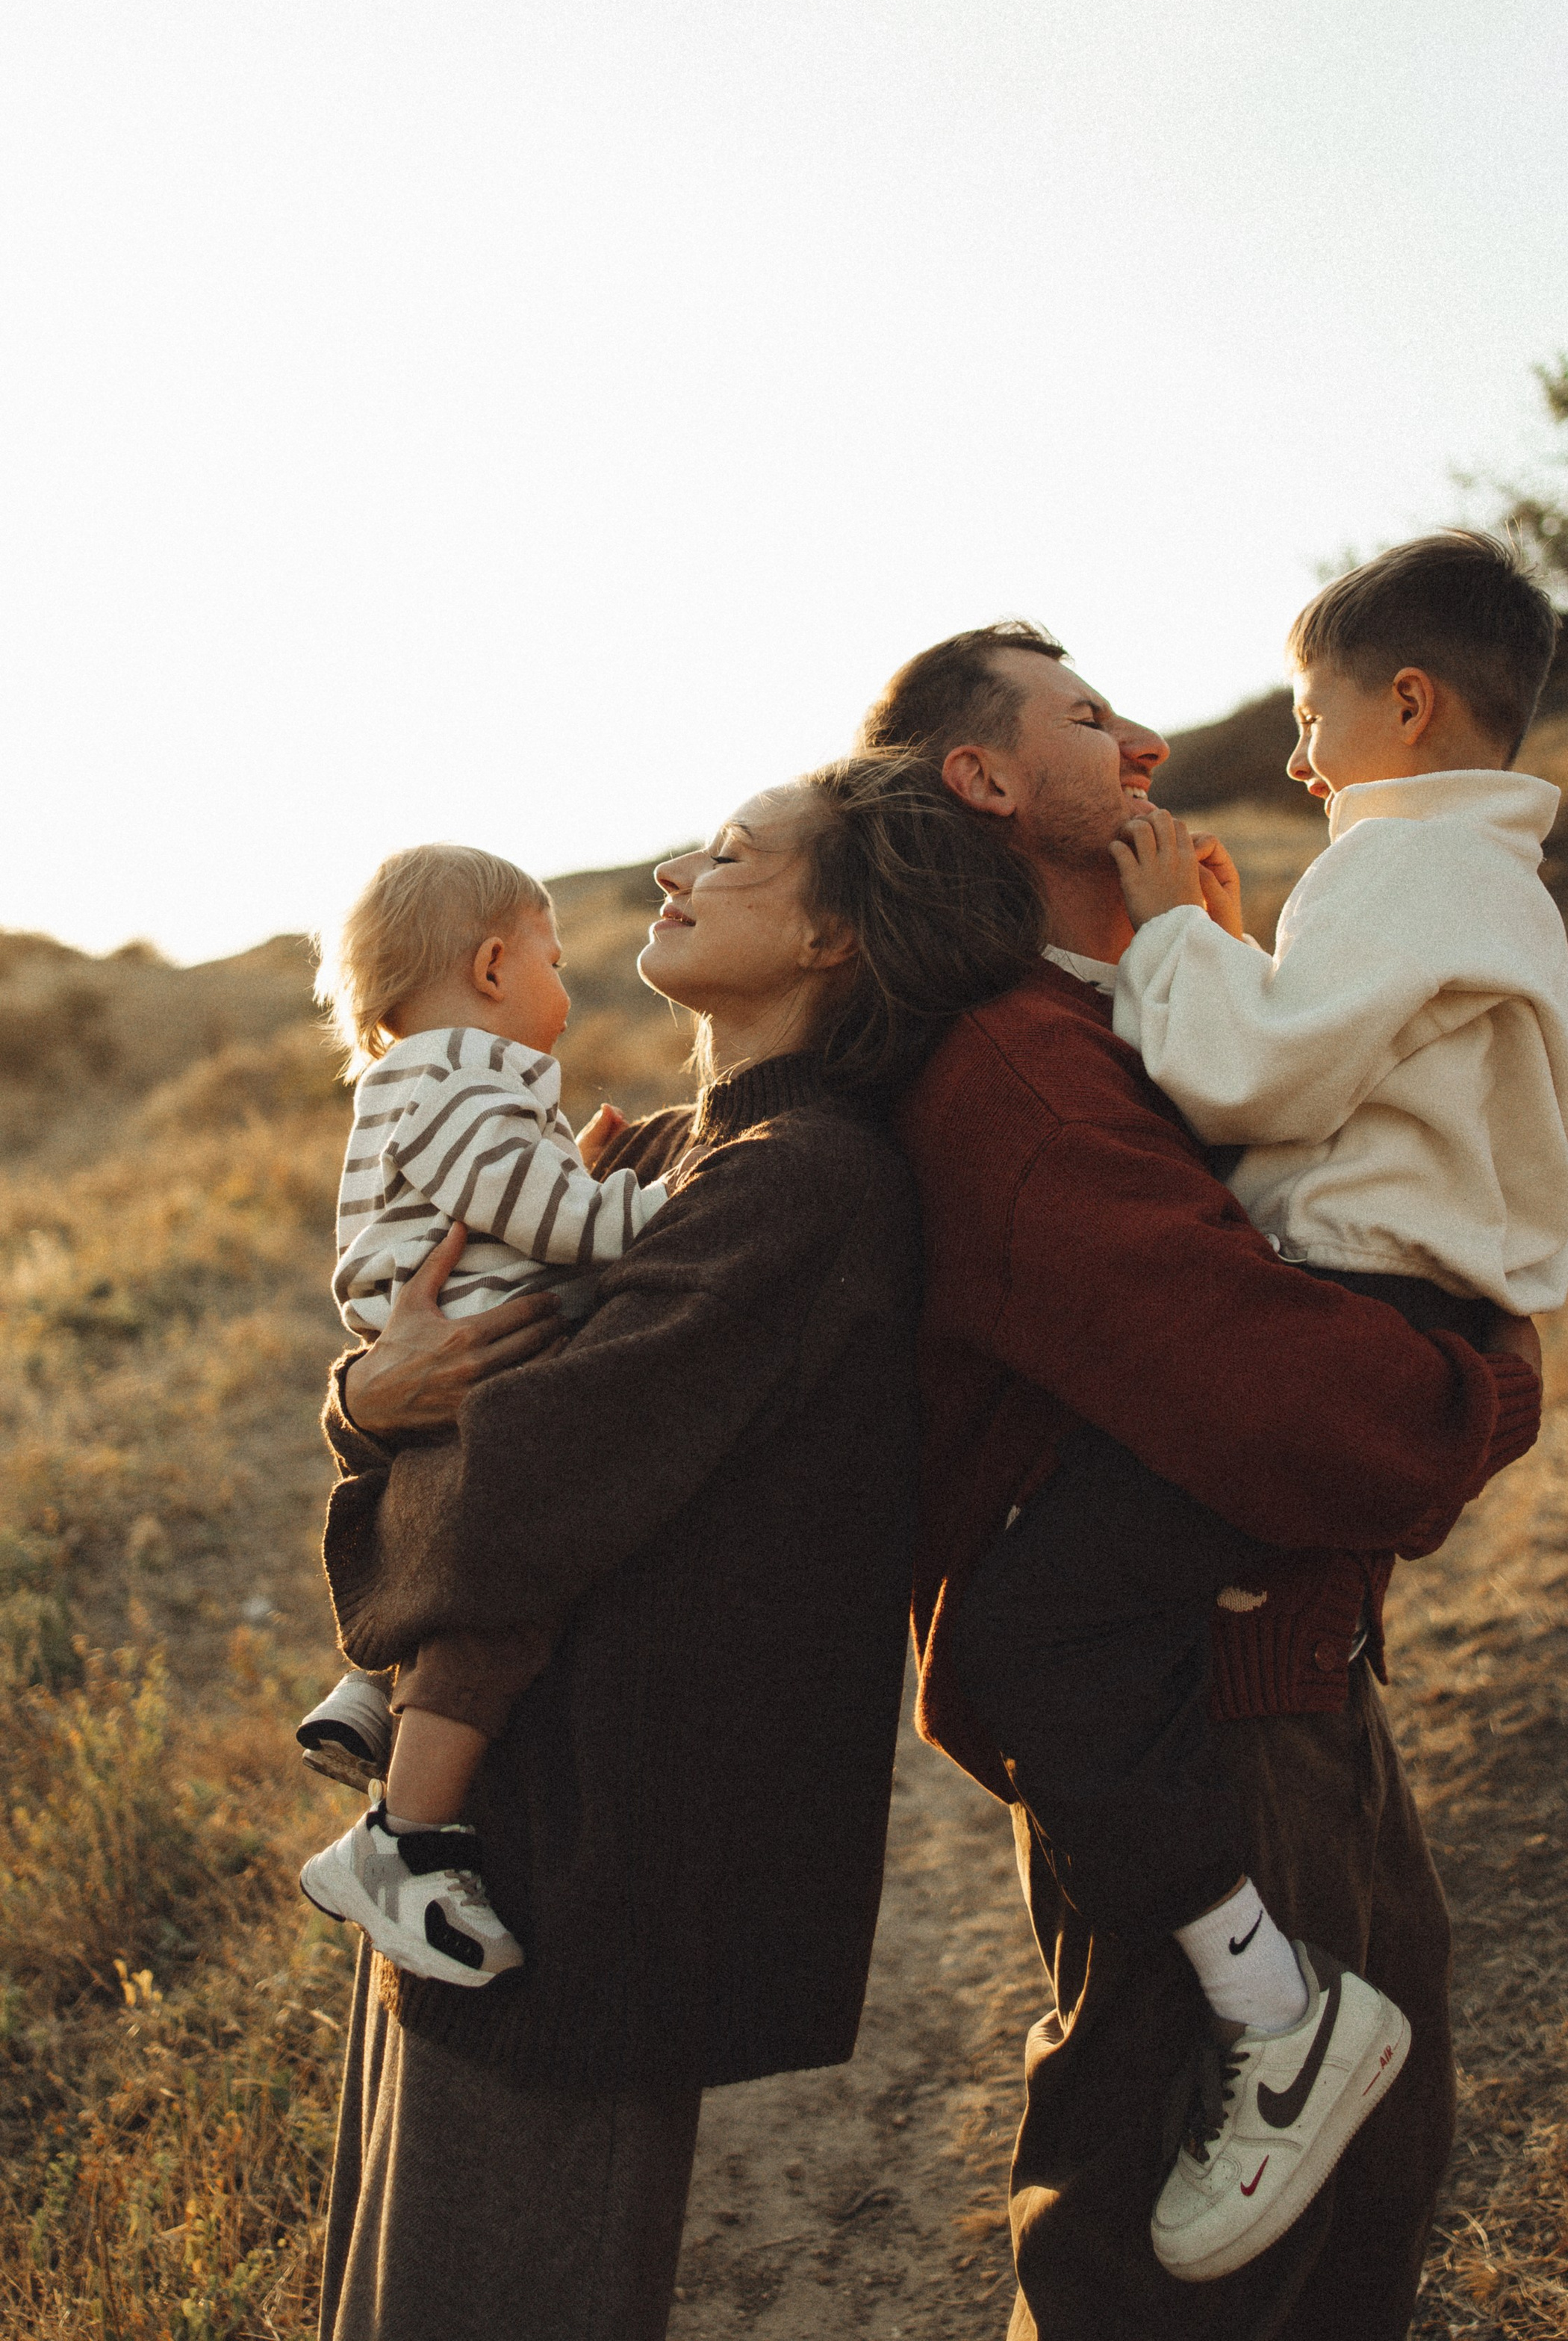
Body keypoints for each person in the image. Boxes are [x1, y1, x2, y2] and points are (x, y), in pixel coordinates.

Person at [945, 540, 1568, 2286]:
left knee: (1013, 1655)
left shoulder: (1392, 874)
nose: (1283, 751)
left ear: (1405, 705)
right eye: (1091, 716)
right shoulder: (1466, 883)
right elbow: (1305, 1093)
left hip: (1349, 1369)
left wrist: (1187, 942)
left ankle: (1278, 2020)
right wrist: (1228, 959)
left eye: (1312, 715)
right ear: (984, 782)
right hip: (1355, 1400)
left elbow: (1251, 1086)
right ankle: (1278, 2017)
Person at [312, 752, 1045, 2341]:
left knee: (483, 2294)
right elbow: (469, 1410)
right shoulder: (673, 1165)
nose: (672, 874)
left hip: (582, 1868)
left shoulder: (806, 1183)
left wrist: (380, 1423)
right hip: (499, 1824)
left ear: (827, 940)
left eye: (727, 856)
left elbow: (513, 1479)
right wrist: (376, 1399)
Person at [296, 842, 673, 1986]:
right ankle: (402, 1843)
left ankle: (374, 1685)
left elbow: (506, 1193)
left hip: (451, 1343)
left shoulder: (425, 1080)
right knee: (504, 1592)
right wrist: (669, 1198)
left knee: (446, 1547)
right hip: (477, 1355)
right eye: (556, 962)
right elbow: (561, 1221)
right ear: (496, 964)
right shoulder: (455, 1076)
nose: (568, 988)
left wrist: (564, 1168)